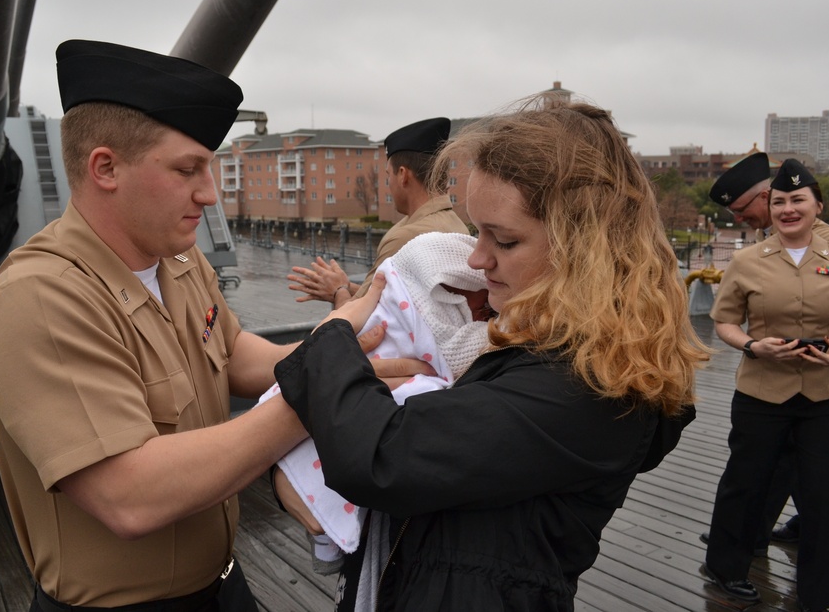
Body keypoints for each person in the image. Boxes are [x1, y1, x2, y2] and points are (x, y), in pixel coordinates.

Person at [0, 40, 424, 611]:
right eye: (187, 170)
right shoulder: (40, 299)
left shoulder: (178, 260)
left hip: (221, 585)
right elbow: (129, 495)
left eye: (208, 167)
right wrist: (321, 387)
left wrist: (338, 353)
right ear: (105, 167)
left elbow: (231, 351)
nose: (209, 194)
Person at [273, 98, 706, 611]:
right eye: (477, 231)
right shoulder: (549, 346)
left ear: (585, 248)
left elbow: (381, 458)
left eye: (504, 240)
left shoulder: (587, 388)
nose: (477, 259)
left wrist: (333, 337)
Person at [263, 232, 489, 583]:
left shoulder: (410, 238)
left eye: (505, 239)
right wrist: (332, 346)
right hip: (406, 561)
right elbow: (392, 305)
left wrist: (331, 344)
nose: (480, 258)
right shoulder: (426, 254)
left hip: (419, 565)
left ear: (400, 175)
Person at [704, 159, 829, 610]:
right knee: (745, 480)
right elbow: (726, 321)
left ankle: (817, 591)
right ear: (770, 205)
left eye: (798, 200)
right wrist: (754, 346)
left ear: (818, 205)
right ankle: (728, 564)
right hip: (763, 389)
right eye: (780, 201)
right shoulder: (749, 258)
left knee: (822, 491)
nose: (788, 209)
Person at [288, 117, 468, 307]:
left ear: (403, 175)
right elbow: (392, 301)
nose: (388, 184)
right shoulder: (455, 224)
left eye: (388, 175)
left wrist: (337, 291)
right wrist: (347, 287)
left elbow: (352, 322)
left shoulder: (406, 237)